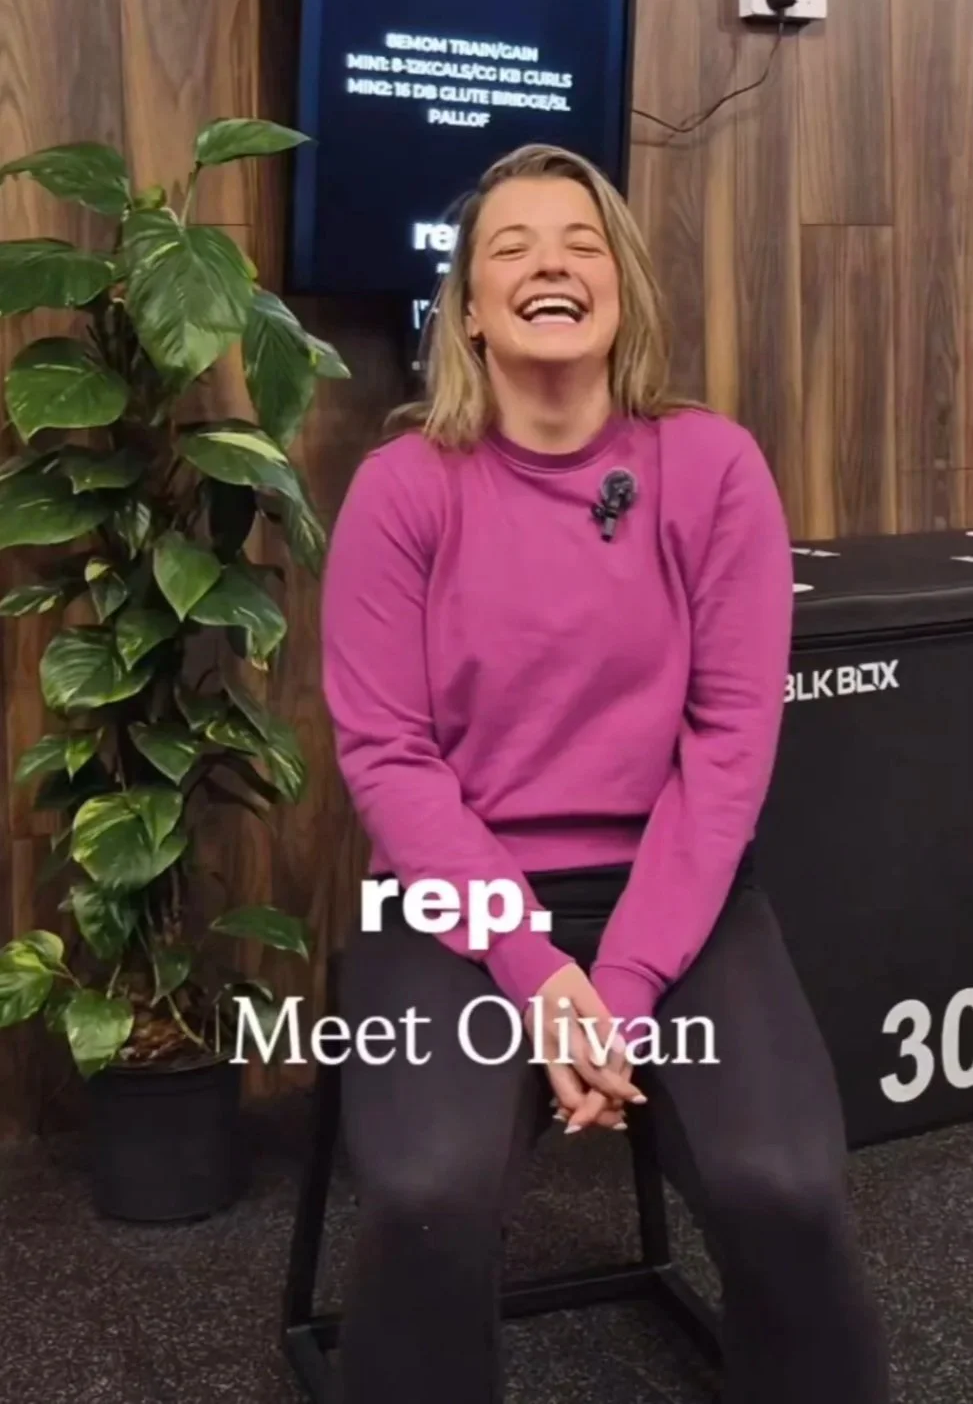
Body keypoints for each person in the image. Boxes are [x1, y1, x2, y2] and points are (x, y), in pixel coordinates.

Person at [320, 142, 890, 1404]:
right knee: (425, 1197)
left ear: (619, 287)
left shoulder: (712, 468)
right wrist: (534, 967)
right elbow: (388, 754)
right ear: (466, 309)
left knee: (783, 1187)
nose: (549, 265)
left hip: (673, 893)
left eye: (579, 243)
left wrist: (618, 978)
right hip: (456, 904)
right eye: (510, 248)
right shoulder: (402, 488)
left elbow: (730, 742)